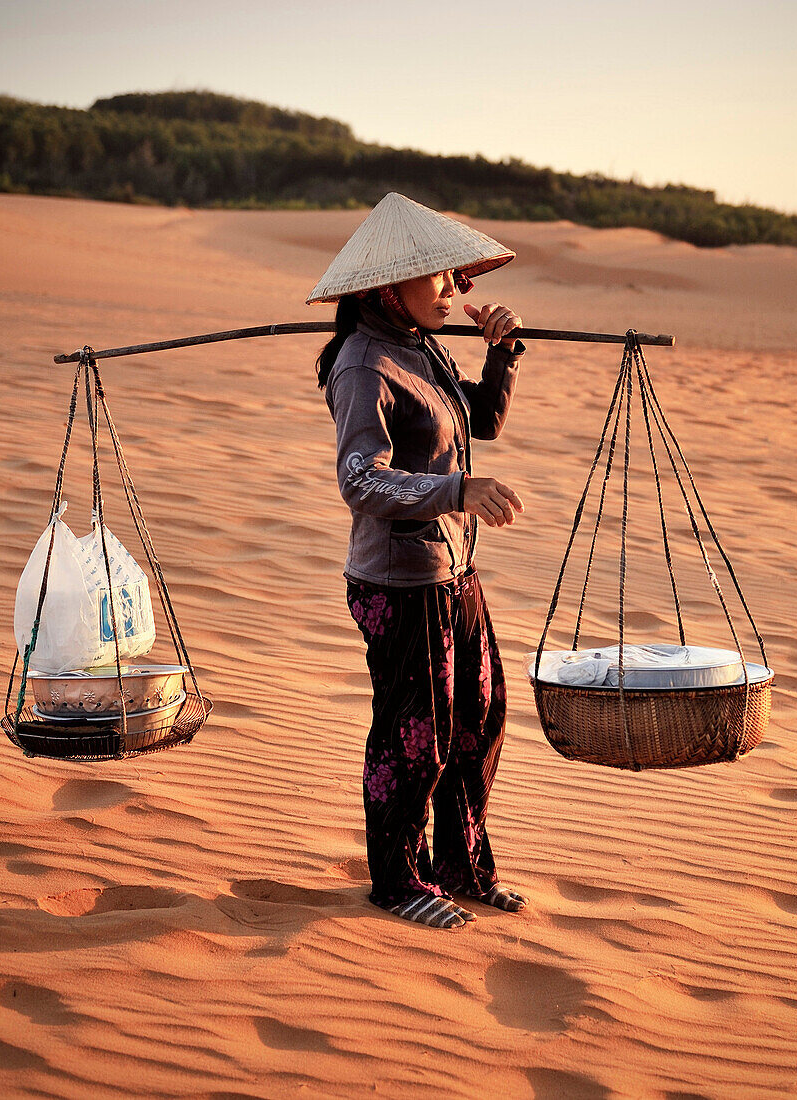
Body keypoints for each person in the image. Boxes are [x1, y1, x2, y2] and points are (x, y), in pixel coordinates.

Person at [309, 193, 527, 930]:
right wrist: (459, 489)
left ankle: (461, 867)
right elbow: (360, 480)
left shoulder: (422, 343)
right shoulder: (363, 364)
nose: (452, 288)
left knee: (481, 717)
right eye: (434, 276)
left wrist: (500, 352)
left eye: (450, 275)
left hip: (453, 572)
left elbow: (481, 422)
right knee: (415, 735)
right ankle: (398, 882)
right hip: (398, 583)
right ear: (385, 286)